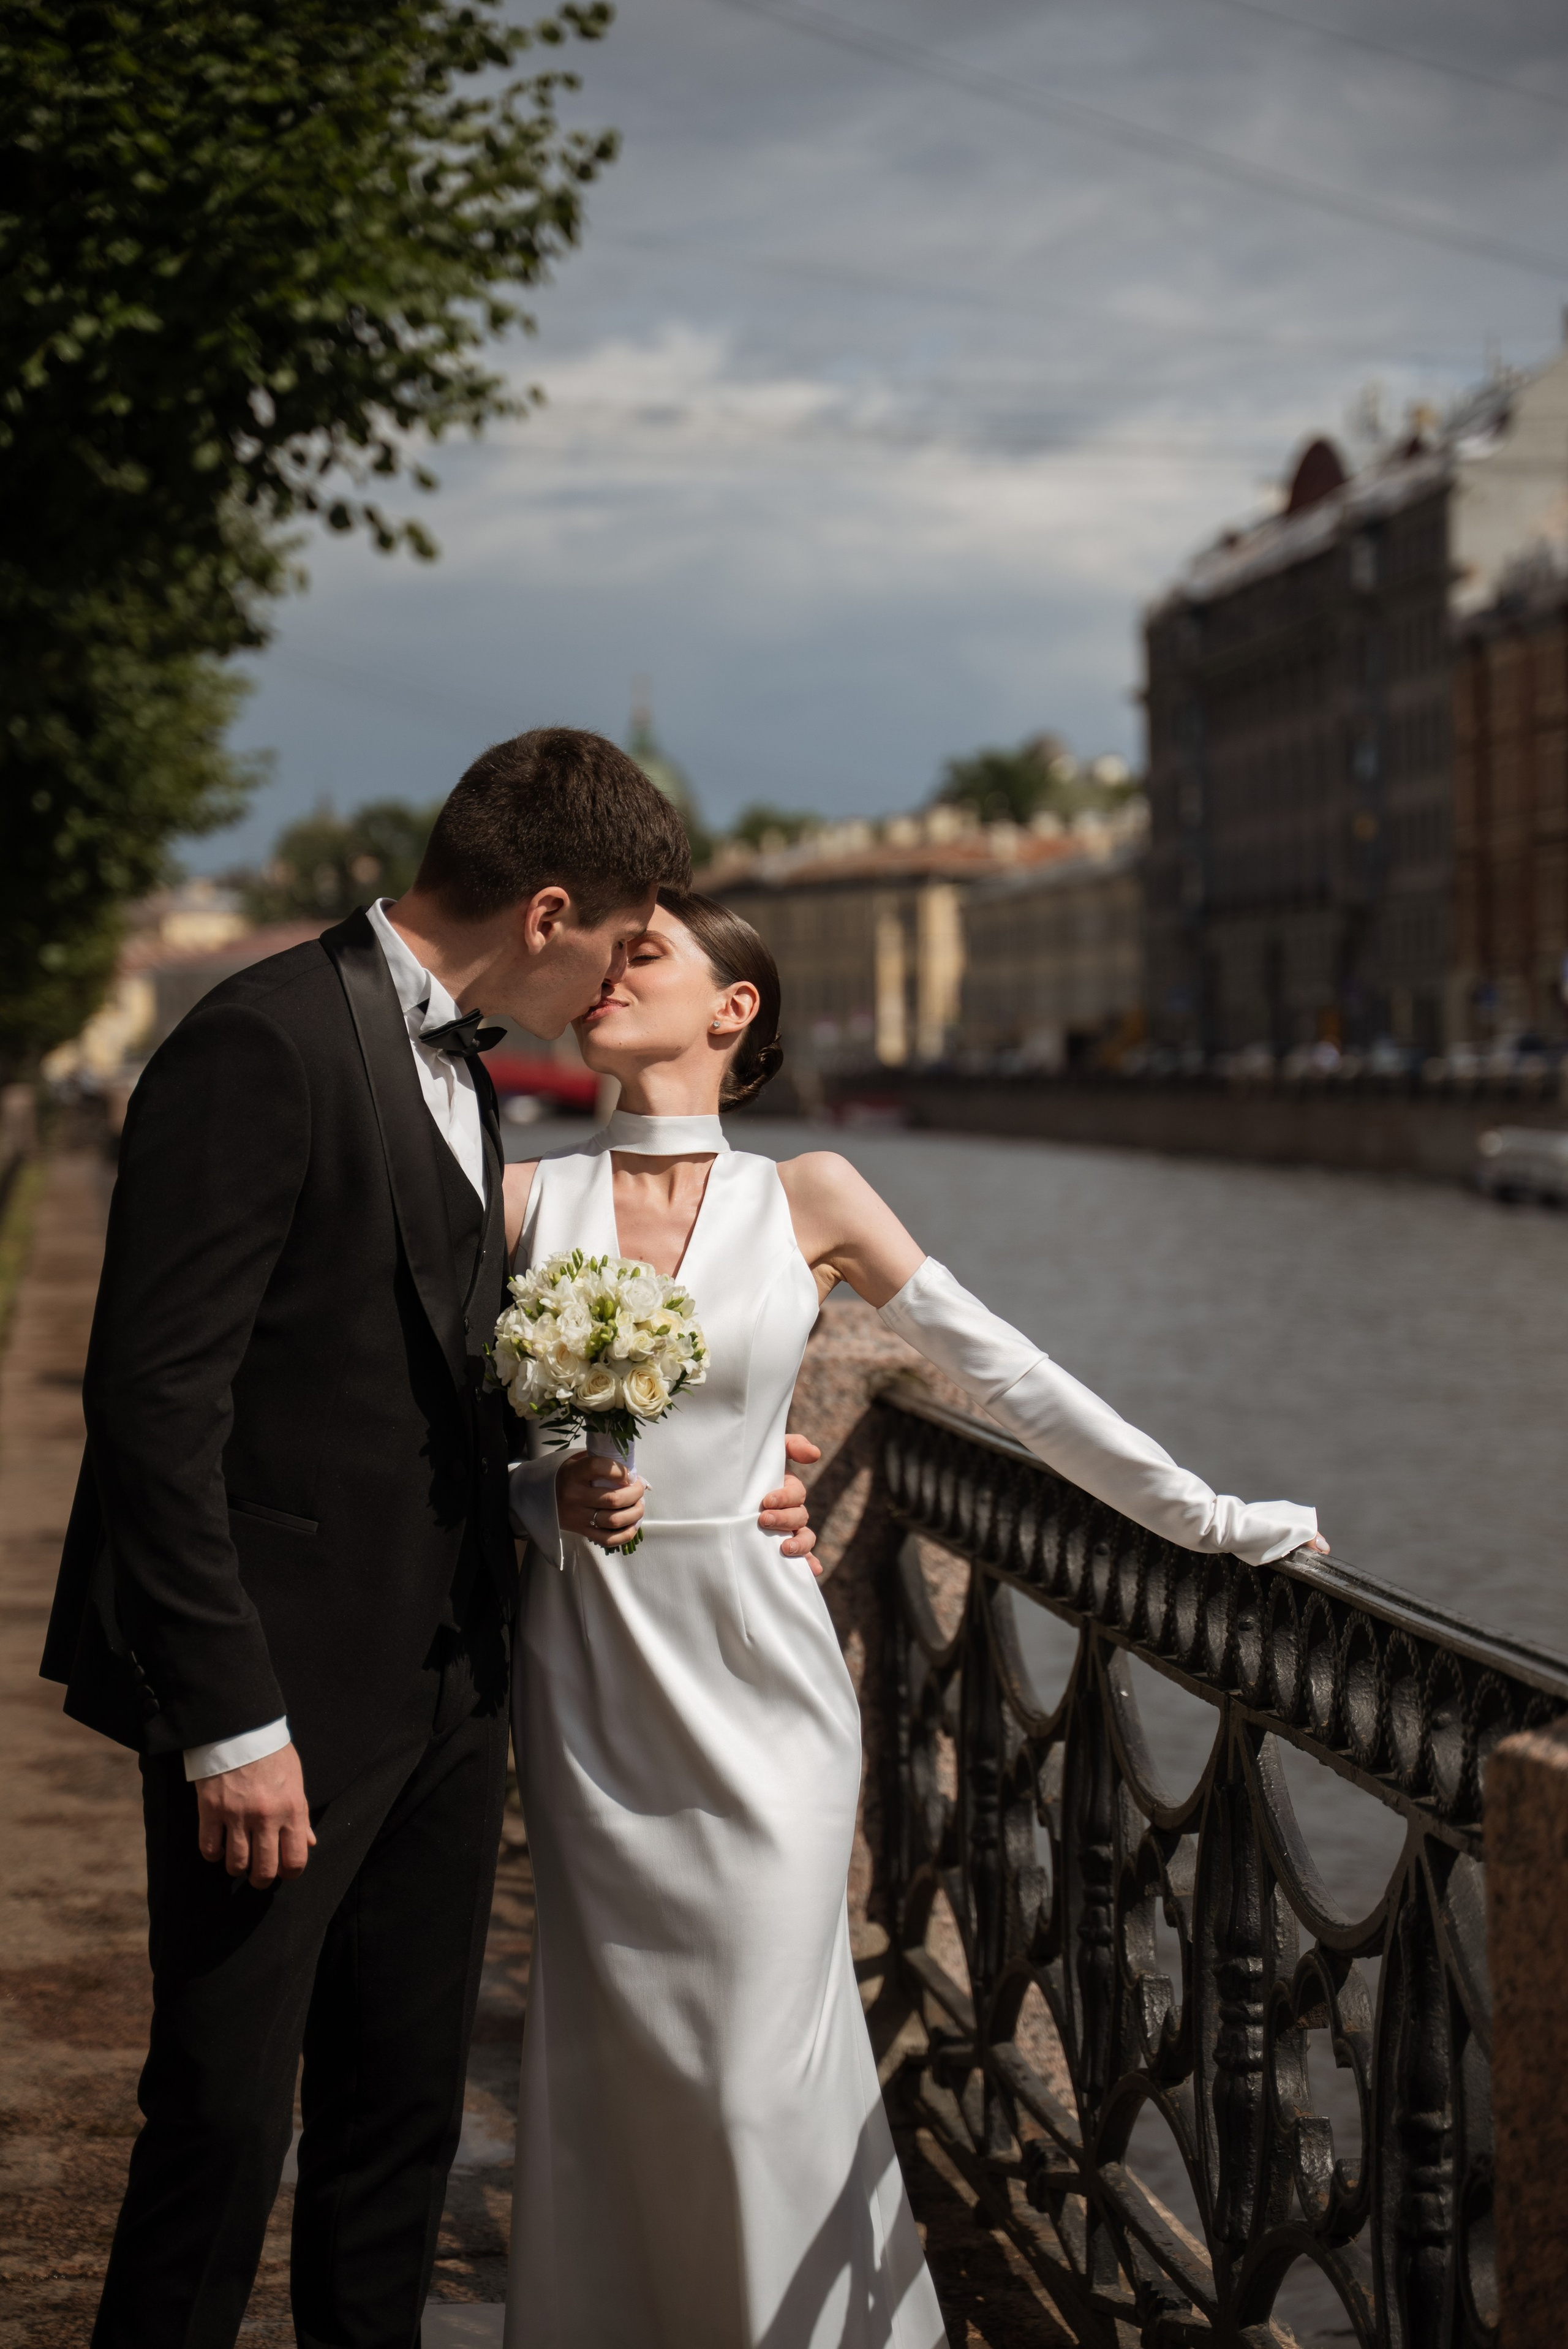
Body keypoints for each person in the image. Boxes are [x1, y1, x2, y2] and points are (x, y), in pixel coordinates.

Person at [40, 733, 822, 2349]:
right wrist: (229, 1719)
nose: (617, 981)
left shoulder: (469, 1072)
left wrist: (706, 1463)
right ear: (547, 913)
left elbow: (447, 1384)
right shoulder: (259, 1042)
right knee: (221, 2124)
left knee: (399, 2127)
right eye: (622, 939)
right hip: (275, 1703)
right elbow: (152, 1407)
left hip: (454, 1687)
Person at [502, 888, 1328, 2349]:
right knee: (615, 2058)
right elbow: (414, 1439)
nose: (604, 977)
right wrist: (536, 1494)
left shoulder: (806, 1193)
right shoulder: (518, 1200)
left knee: (758, 2072)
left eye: (644, 955)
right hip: (592, 1673)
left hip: (758, 1669)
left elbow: (1001, 1371)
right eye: (602, 958)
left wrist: (1200, 1516)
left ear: (733, 1009)